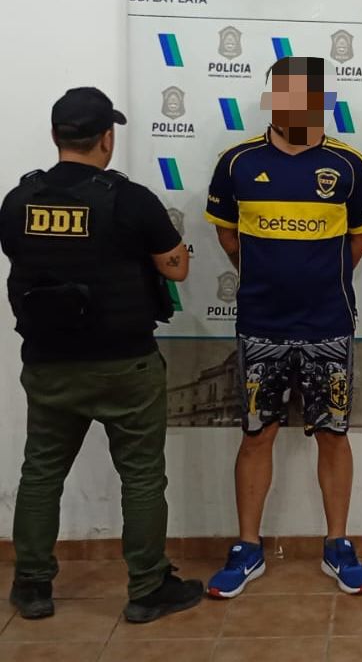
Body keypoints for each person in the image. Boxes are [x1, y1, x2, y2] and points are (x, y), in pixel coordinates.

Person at [1, 87, 202, 623]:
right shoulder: (130, 200)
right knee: (142, 477)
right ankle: (147, 587)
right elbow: (176, 267)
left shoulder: (19, 200)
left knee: (41, 472)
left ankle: (32, 586)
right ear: (107, 139)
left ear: (55, 135)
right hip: (124, 365)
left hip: (48, 363)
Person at [204, 57, 362, 598]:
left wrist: (320, 279)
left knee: (334, 434)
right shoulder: (237, 163)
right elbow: (228, 237)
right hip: (261, 324)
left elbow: (359, 239)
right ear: (273, 101)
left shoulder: (350, 166)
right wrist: (267, 276)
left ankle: (337, 545)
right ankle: (247, 548)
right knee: (257, 435)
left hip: (329, 323)